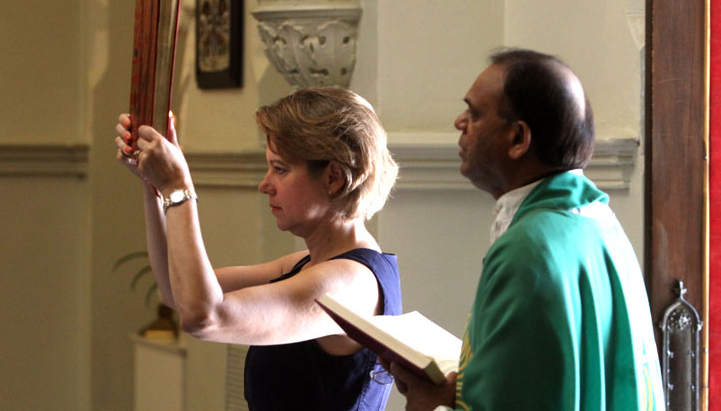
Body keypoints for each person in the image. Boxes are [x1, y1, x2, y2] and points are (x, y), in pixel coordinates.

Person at [387, 48, 665, 410]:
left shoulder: (528, 249)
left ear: (519, 139)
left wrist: (430, 403)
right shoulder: (600, 224)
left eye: (474, 113)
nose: (460, 122)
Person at [115, 86, 401, 411]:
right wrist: (152, 183)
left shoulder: (348, 285)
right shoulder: (311, 265)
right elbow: (175, 290)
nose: (264, 185)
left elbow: (205, 317)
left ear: (333, 177)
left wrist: (178, 187)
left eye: (280, 169)